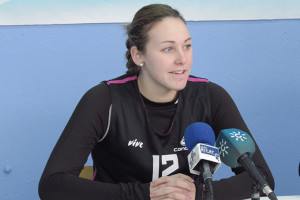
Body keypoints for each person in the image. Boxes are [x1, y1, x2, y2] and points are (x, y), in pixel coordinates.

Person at [38, 4, 275, 200]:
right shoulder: (104, 100)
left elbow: (262, 176)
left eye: (187, 46)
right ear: (138, 55)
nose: (182, 59)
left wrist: (200, 193)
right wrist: (145, 193)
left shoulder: (211, 96)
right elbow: (53, 185)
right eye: (168, 49)